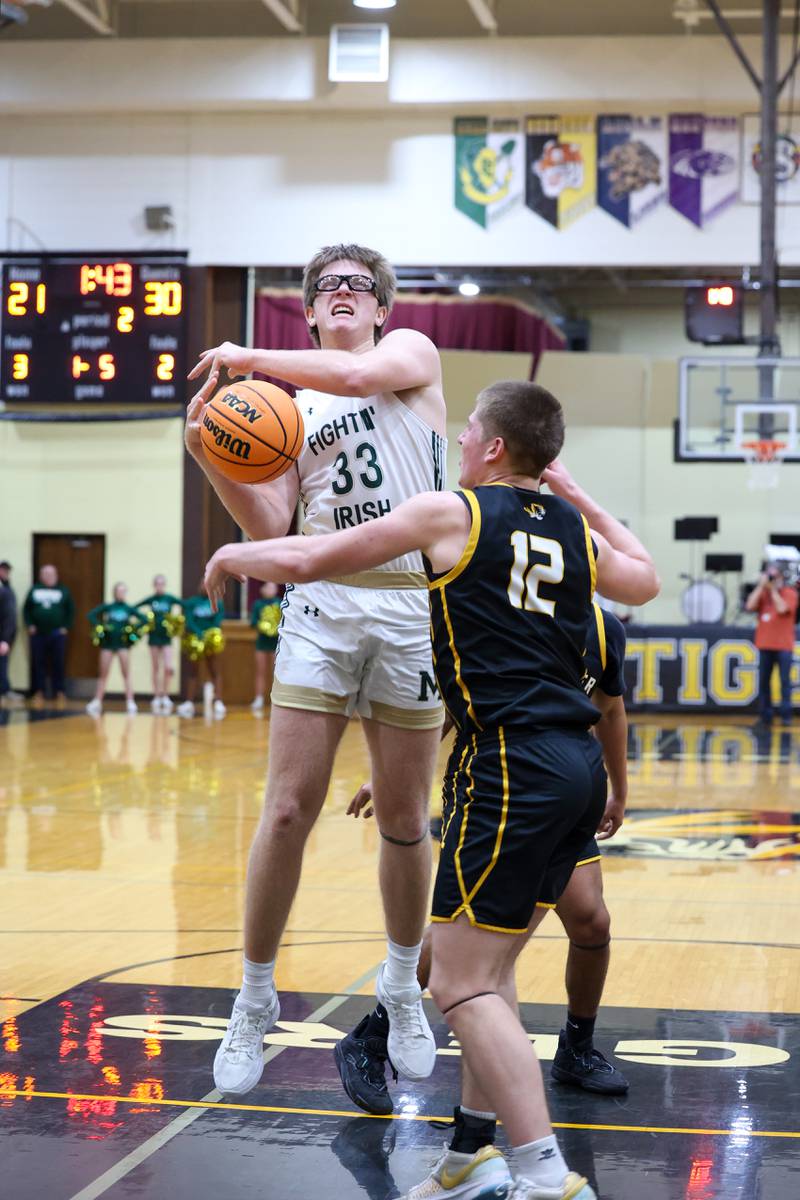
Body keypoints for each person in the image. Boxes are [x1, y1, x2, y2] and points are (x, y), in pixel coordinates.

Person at [204, 380, 659, 1200]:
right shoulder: (569, 533)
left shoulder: (453, 512)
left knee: (462, 985)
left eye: (469, 434)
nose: (458, 445)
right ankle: (469, 1157)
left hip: (508, 769)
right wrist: (580, 496)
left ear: (490, 448)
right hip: (573, 767)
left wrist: (237, 555)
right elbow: (647, 580)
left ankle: (545, 1176)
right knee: (492, 964)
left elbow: (311, 556)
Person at [185, 243, 447, 1098]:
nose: (343, 294)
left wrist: (246, 356)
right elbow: (274, 519)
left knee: (406, 818)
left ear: (379, 308)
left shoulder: (410, 359)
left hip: (412, 604)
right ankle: (253, 998)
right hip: (325, 606)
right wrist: (214, 455)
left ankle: (403, 986)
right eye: (326, 287)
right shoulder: (289, 407)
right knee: (288, 808)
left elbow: (364, 380)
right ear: (308, 311)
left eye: (357, 286)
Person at [337, 600, 631, 1117]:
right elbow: (449, 706)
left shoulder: (604, 629)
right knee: (476, 941)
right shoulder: (503, 609)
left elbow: (608, 707)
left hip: (562, 783)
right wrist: (390, 774)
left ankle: (576, 1048)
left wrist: (619, 790)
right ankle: (372, 1034)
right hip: (493, 786)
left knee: (591, 920)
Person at [745, 564, 798, 725]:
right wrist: (761, 587)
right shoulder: (763, 594)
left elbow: (782, 609)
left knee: (784, 681)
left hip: (783, 646)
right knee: (763, 682)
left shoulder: (790, 593)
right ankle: (765, 715)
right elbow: (749, 606)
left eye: (774, 577)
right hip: (764, 645)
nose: (771, 581)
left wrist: (773, 590)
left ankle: (786, 715)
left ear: (781, 578)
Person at [86, 583, 146, 716]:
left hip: (122, 646)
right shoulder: (108, 607)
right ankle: (97, 701)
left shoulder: (128, 608)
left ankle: (130, 701)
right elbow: (91, 615)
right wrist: (101, 626)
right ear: (114, 593)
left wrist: (132, 630)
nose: (121, 594)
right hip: (107, 644)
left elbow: (144, 619)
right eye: (119, 591)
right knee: (103, 674)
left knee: (126, 673)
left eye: (124, 591)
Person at [23, 564, 75, 708]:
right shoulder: (34, 590)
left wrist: (66, 627)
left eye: (51, 574)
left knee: (58, 663)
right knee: (38, 662)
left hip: (57, 633)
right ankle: (38, 691)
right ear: (41, 575)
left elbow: (71, 610)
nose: (48, 576)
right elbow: (26, 610)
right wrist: (30, 625)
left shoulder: (63, 590)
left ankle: (59, 691)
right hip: (38, 633)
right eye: (45, 573)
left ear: (56, 575)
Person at [176, 588, 226, 718]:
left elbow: (218, 620)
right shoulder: (192, 602)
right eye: (202, 584)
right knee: (193, 671)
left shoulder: (217, 602)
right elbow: (189, 620)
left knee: (214, 669)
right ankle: (189, 702)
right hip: (195, 640)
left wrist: (209, 633)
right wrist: (198, 632)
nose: (205, 587)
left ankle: (219, 701)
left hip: (210, 640)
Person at [136, 575, 181, 713]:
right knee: (156, 667)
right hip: (154, 637)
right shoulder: (151, 599)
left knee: (168, 667)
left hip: (166, 637)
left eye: (162, 584)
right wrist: (145, 620)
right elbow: (134, 608)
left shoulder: (169, 598)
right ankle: (156, 696)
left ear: (165, 585)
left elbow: (185, 605)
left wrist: (177, 622)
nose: (159, 586)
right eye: (157, 584)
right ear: (154, 585)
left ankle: (165, 695)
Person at [250, 581, 282, 713]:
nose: (270, 589)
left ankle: (277, 699)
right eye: (267, 587)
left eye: (273, 587)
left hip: (276, 643)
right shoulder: (258, 604)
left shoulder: (280, 603)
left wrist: (276, 628)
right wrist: (263, 626)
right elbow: (252, 622)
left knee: (277, 673)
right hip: (262, 642)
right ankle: (259, 698)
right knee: (260, 672)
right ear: (262, 589)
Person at [0, 561, 17, 707]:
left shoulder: (5, 589)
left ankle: (4, 689)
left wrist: (5, 639)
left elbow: (9, 616)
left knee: (2, 663)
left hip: (3, 634)